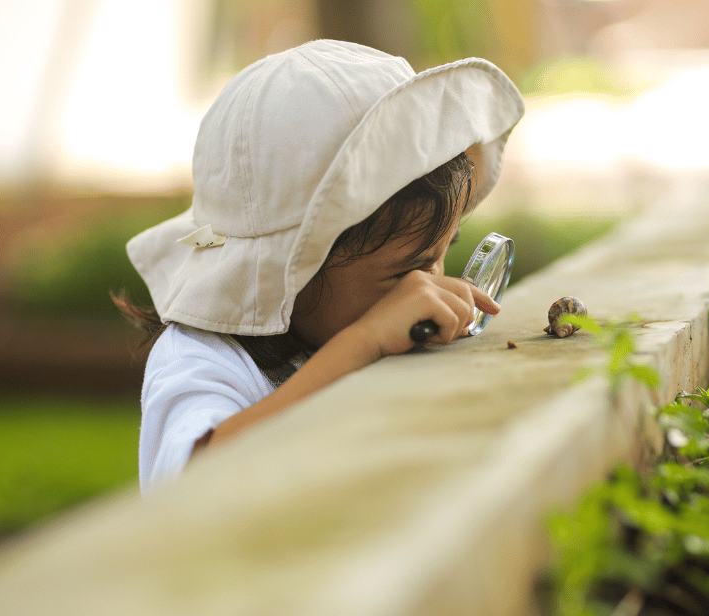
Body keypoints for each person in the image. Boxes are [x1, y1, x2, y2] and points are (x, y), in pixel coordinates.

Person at [117, 40, 525, 495]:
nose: (425, 289)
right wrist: (362, 343)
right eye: (405, 271)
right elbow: (195, 482)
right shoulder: (201, 358)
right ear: (289, 276)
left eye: (441, 254)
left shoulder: (336, 327)